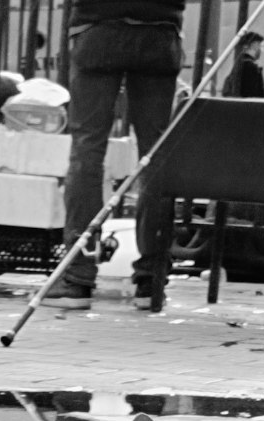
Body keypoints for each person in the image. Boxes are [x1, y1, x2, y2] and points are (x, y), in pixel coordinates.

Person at [46, 0, 185, 312]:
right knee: (155, 155)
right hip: (159, 32)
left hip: (98, 28)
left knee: (87, 149)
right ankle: (151, 280)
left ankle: (77, 278)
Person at [222, 31, 264, 98]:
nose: (262, 50)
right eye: (261, 46)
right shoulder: (251, 67)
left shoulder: (239, 63)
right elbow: (254, 94)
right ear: (254, 45)